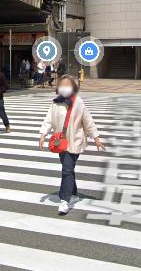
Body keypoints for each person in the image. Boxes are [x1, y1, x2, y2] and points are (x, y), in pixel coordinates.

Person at [38, 75, 104, 215]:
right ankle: (73, 194)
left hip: (75, 141)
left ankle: (64, 200)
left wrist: (96, 138)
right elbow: (48, 120)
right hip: (60, 142)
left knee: (67, 170)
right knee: (68, 169)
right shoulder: (55, 103)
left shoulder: (79, 103)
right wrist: (43, 134)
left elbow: (88, 121)